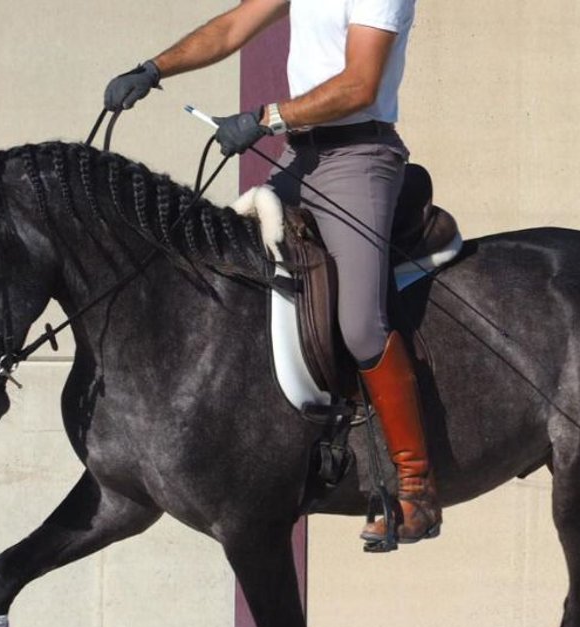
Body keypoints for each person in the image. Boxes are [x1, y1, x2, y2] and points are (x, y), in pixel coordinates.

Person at [104, 0, 441, 546]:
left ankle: (415, 485)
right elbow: (233, 26)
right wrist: (153, 69)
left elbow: (359, 84)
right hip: (299, 156)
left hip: (358, 157)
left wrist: (267, 118)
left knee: (359, 323)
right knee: (230, 273)